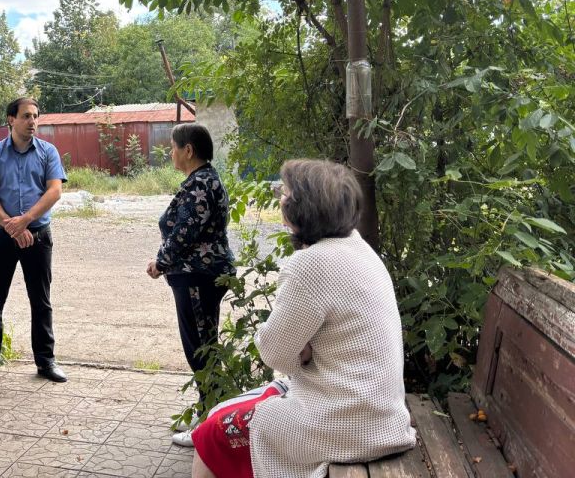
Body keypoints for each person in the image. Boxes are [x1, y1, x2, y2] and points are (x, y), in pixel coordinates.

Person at [190, 159, 417, 478]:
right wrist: (302, 349)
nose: (280, 199)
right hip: (382, 417)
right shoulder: (360, 248)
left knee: (211, 435)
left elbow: (273, 353)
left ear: (302, 208)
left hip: (341, 423)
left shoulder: (310, 264)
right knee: (230, 411)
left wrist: (301, 349)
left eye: (285, 194)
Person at [146, 123, 236, 447]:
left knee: (201, 350)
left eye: (173, 147)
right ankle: (214, 416)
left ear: (188, 150)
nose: (170, 153)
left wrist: (160, 263)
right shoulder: (205, 180)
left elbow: (183, 234)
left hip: (198, 276)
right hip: (200, 274)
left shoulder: (200, 184)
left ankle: (211, 427)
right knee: (204, 346)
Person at [0, 96, 68, 391]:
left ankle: (45, 361)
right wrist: (12, 226)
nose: (32, 121)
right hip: (2, 237)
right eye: (26, 116)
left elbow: (54, 191)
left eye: (35, 116)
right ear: (11, 119)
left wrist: (25, 220)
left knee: (41, 301)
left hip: (37, 235)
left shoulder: (48, 152)